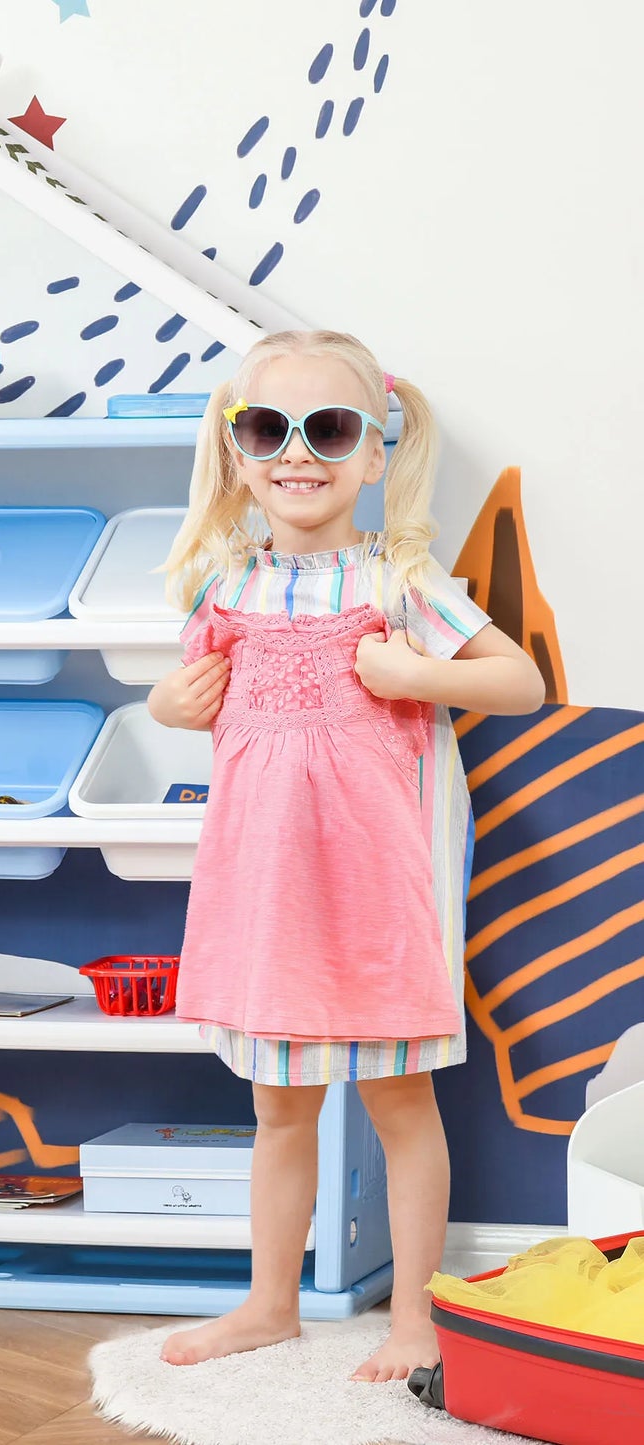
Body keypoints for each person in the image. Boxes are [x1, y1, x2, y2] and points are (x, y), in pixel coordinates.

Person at [147, 330, 545, 1382]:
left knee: (398, 1100)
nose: (296, 452)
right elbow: (186, 693)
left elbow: (518, 684)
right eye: (265, 428)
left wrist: (411, 673)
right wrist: (161, 702)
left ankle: (413, 1316)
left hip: (375, 887)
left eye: (326, 429)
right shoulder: (218, 588)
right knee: (276, 1106)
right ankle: (268, 1301)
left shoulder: (399, 582)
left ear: (372, 452)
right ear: (236, 449)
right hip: (263, 885)